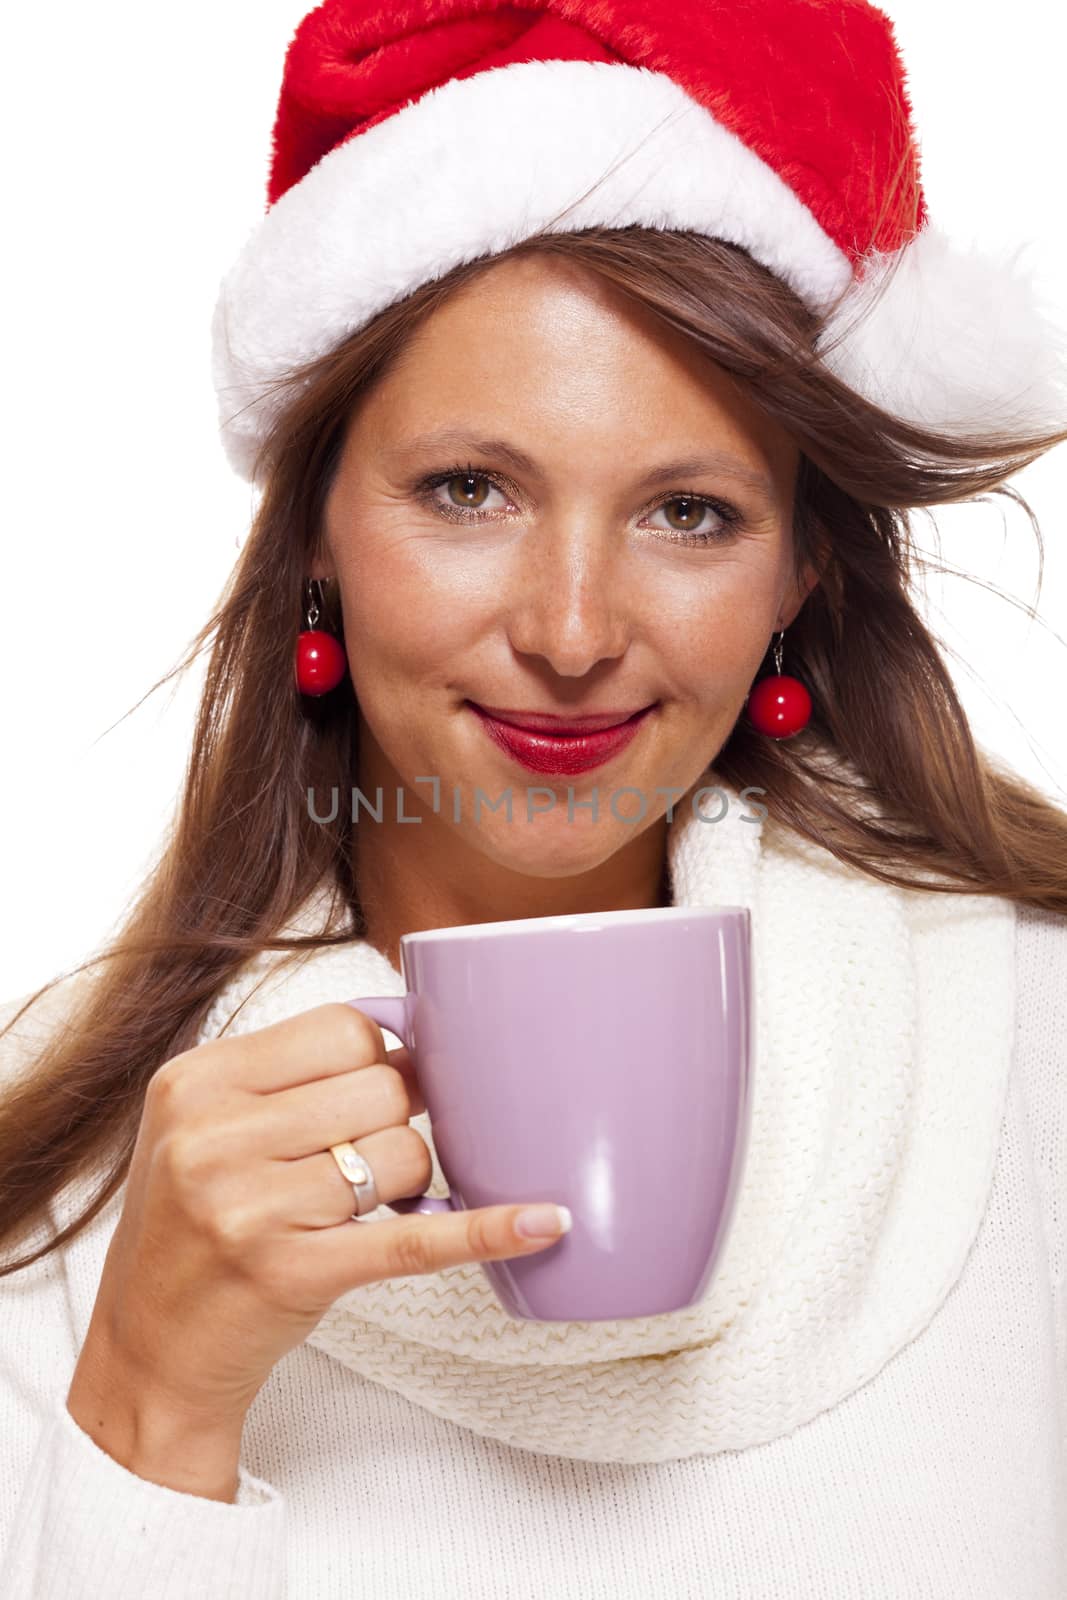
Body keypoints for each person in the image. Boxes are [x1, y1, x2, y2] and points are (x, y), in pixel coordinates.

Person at [1, 1, 1065, 1595]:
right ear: (315, 528)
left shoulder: (1029, 1039)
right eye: (468, 490)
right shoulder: (81, 1193)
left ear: (799, 572)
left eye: (689, 512)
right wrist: (152, 1412)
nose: (571, 632)